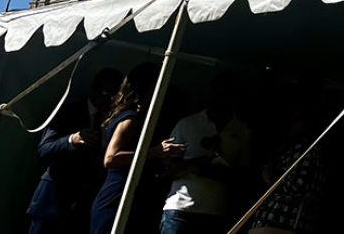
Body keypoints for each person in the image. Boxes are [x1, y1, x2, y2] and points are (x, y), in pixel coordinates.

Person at [27, 66, 124, 234]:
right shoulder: (69, 112)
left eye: (117, 96)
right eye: (108, 94)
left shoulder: (115, 121)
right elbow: (43, 151)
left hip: (82, 210)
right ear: (94, 90)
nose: (111, 101)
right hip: (52, 203)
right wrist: (72, 139)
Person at [89, 64, 183, 234]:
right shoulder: (130, 119)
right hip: (118, 195)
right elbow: (110, 158)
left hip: (131, 195)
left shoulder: (139, 116)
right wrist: (154, 152)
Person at [159, 73, 253, 233]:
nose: (222, 98)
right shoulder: (188, 124)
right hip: (180, 208)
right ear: (210, 93)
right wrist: (193, 165)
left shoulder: (242, 131)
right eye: (218, 92)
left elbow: (245, 175)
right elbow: (165, 168)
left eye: (227, 93)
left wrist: (222, 173)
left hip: (216, 212)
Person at [249, 99, 325, 234]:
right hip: (269, 221)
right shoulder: (289, 148)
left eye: (296, 119)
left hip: (285, 223)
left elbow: (298, 186)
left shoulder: (305, 149)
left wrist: (271, 176)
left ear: (308, 122)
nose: (289, 124)